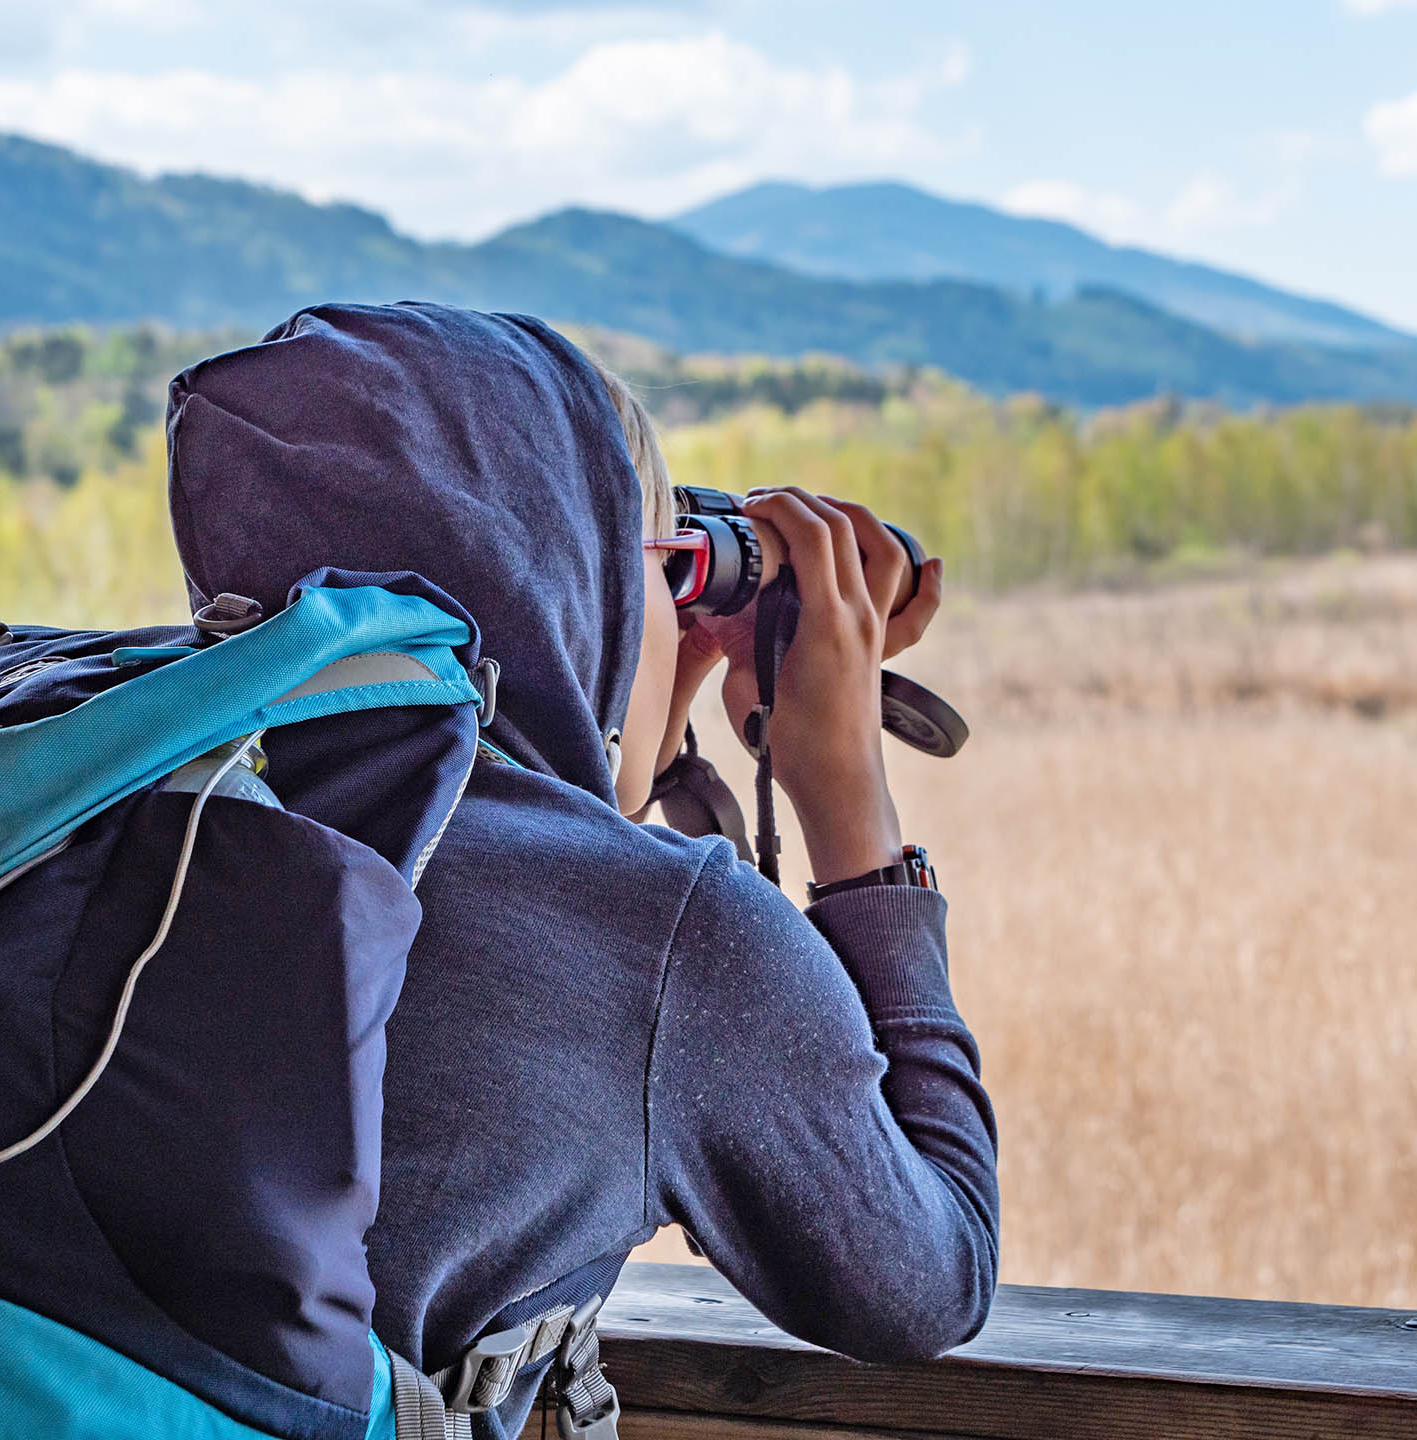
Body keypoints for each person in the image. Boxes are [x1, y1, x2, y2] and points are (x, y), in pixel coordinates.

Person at [165, 301, 999, 1439]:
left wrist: (639, 698)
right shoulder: (669, 936)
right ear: (580, 580)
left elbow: (496, 828)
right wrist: (851, 808)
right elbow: (930, 1277)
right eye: (664, 570)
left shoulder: (160, 804)